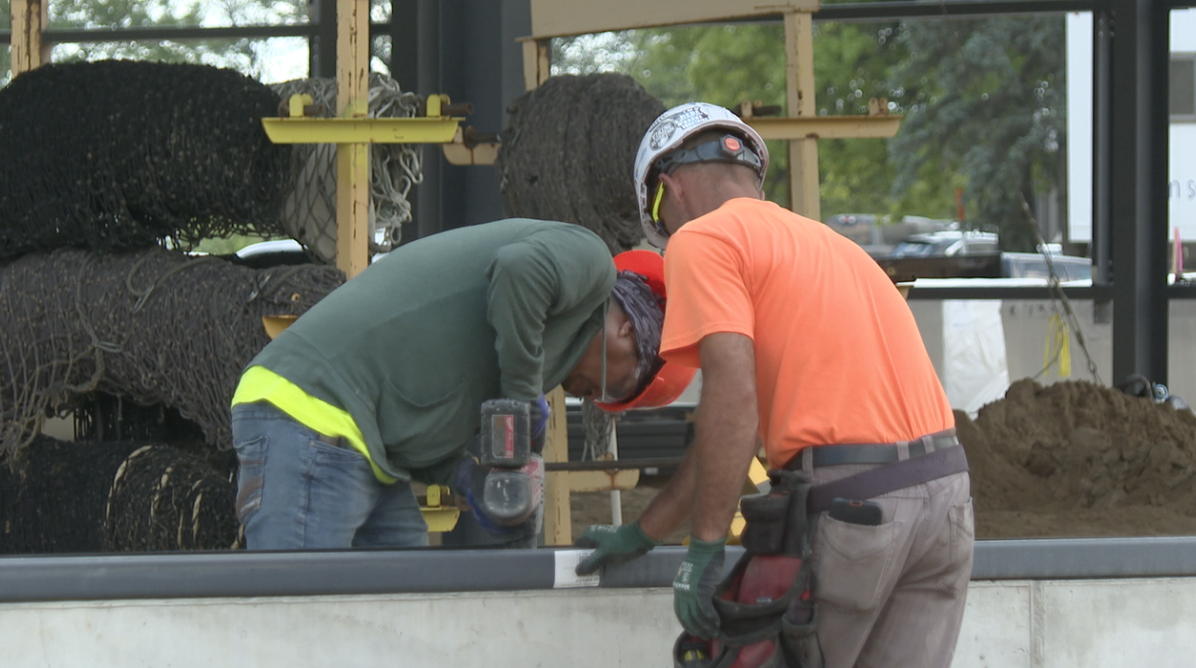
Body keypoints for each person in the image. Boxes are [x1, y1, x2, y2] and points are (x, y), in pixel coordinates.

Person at [575, 102, 974, 668]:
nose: (668, 238)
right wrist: (646, 530)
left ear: (670, 192)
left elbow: (732, 400)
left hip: (856, 507)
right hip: (947, 501)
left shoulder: (704, 239)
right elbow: (741, 422)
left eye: (660, 224)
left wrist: (705, 548)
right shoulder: (834, 248)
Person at [229, 218, 686, 550]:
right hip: (311, 411)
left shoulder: (526, 347)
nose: (588, 396)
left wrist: (468, 477)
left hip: (368, 451)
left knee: (405, 623)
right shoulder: (590, 262)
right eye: (614, 388)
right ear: (629, 332)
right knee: (300, 629)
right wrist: (522, 397)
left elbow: (423, 434)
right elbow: (518, 269)